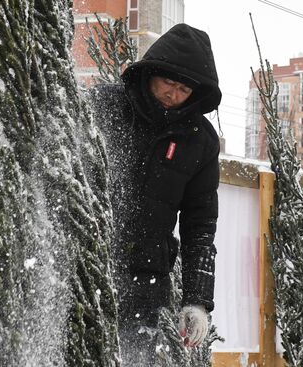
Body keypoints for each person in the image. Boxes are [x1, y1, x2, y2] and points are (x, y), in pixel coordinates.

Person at [91, 23, 221, 365]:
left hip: (146, 282)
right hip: (90, 263)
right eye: (168, 83)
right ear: (151, 73)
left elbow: (201, 225)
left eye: (184, 89)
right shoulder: (105, 107)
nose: (173, 95)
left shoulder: (200, 141)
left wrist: (196, 299)